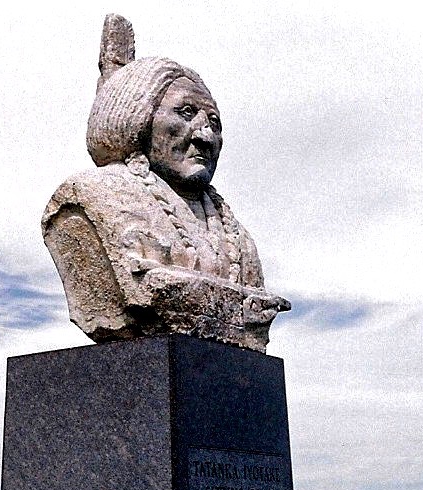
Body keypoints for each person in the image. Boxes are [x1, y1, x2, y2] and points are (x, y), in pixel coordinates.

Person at [42, 15, 289, 349]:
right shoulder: (92, 198)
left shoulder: (238, 238)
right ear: (140, 120)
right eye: (186, 113)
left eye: (214, 122)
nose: (205, 135)